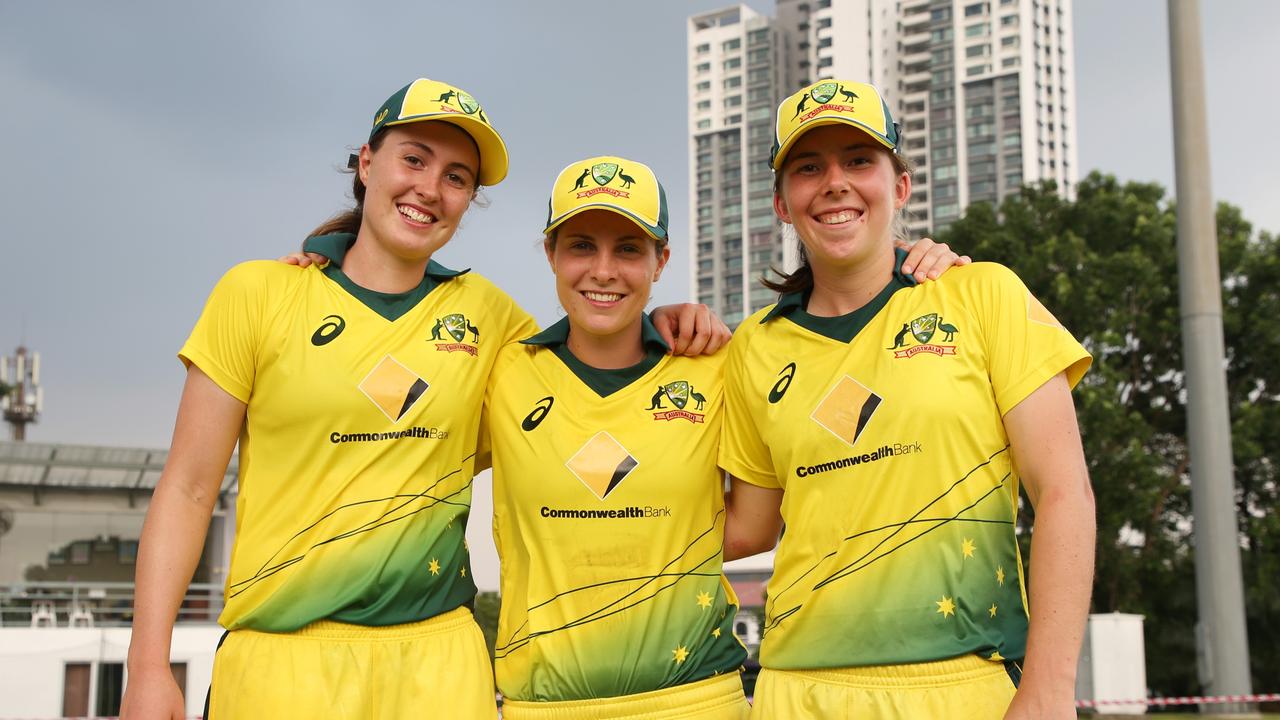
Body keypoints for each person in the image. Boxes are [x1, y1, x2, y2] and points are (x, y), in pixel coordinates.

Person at [120, 78, 725, 720]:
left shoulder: (491, 319)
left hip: (441, 662)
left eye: (457, 177)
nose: (430, 189)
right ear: (366, 161)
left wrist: (668, 322)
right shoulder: (258, 294)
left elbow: (598, 353)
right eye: (414, 158)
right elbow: (187, 490)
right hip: (282, 660)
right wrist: (148, 667)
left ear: (467, 201)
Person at [479, 156, 965, 719]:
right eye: (582, 245)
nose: (604, 270)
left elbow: (755, 527)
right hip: (541, 705)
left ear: (662, 261)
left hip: (695, 698)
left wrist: (908, 261)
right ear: (550, 254)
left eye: (630, 249)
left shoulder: (720, 366)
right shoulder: (503, 370)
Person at [718, 80, 1096, 720]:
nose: (834, 182)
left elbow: (1064, 493)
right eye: (809, 167)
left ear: (899, 187)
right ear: (783, 203)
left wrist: (1049, 690)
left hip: (964, 680)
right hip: (795, 688)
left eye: (858, 160)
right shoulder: (753, 344)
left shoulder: (983, 295)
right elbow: (748, 527)